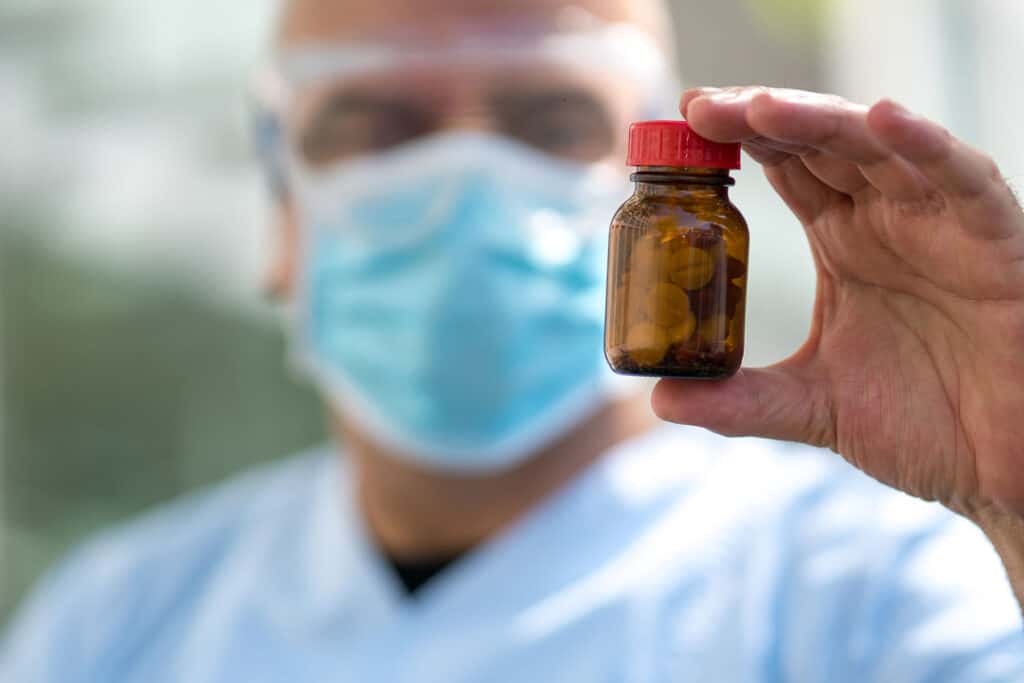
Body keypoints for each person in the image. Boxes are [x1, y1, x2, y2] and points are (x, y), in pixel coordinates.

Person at [3, 0, 1024, 680]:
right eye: (378, 126)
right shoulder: (115, 625)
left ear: (649, 160)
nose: (465, 188)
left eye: (547, 119)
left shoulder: (881, 592)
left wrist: (1014, 494)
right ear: (281, 214)